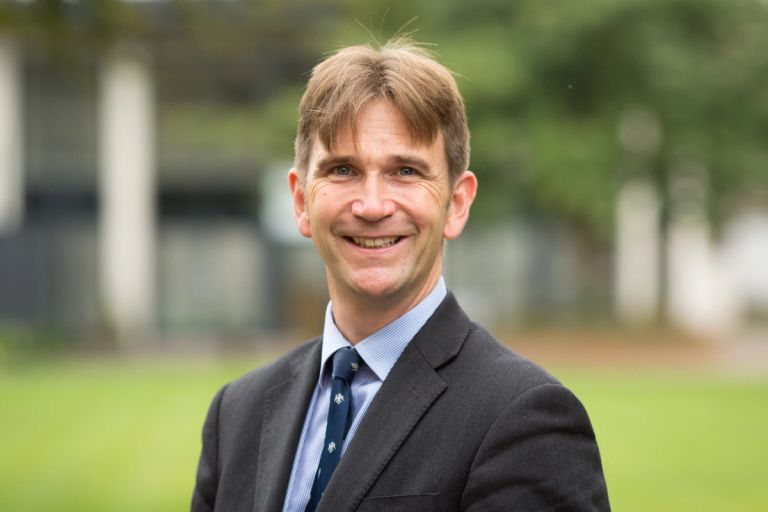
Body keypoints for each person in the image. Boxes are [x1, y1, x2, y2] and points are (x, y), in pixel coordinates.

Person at [192, 38, 610, 512]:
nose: (372, 206)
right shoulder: (238, 415)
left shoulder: (525, 418)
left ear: (456, 203)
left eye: (406, 171)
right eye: (343, 169)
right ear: (300, 201)